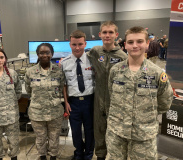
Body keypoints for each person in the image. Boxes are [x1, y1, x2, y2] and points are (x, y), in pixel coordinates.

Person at [106, 26, 173, 159]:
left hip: (144, 136)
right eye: (130, 42)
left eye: (140, 41)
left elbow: (165, 103)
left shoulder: (157, 73)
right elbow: (111, 95)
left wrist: (144, 118)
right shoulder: (116, 71)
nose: (135, 45)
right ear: (125, 45)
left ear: (147, 44)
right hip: (116, 133)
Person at [87, 21, 127, 160]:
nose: (107, 35)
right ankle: (100, 156)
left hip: (115, 101)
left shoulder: (123, 57)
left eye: (111, 32)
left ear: (116, 35)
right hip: (98, 99)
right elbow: (80, 59)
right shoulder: (95, 52)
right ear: (100, 34)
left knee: (115, 132)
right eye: (104, 32)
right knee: (99, 130)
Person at [25, 43, 64, 160]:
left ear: (52, 54)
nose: (44, 55)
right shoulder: (30, 72)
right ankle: (42, 156)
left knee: (54, 138)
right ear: (37, 54)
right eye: (41, 53)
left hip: (55, 112)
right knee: (40, 138)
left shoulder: (58, 71)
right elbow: (28, 90)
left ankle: (53, 157)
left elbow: (61, 89)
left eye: (47, 52)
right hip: (37, 113)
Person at [61, 30, 94, 160]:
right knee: (75, 131)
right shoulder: (64, 63)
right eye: (74, 44)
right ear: (70, 44)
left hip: (89, 101)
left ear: (85, 43)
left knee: (89, 130)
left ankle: (89, 154)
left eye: (80, 44)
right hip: (73, 102)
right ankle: (79, 153)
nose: (77, 47)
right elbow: (64, 85)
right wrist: (66, 103)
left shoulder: (93, 61)